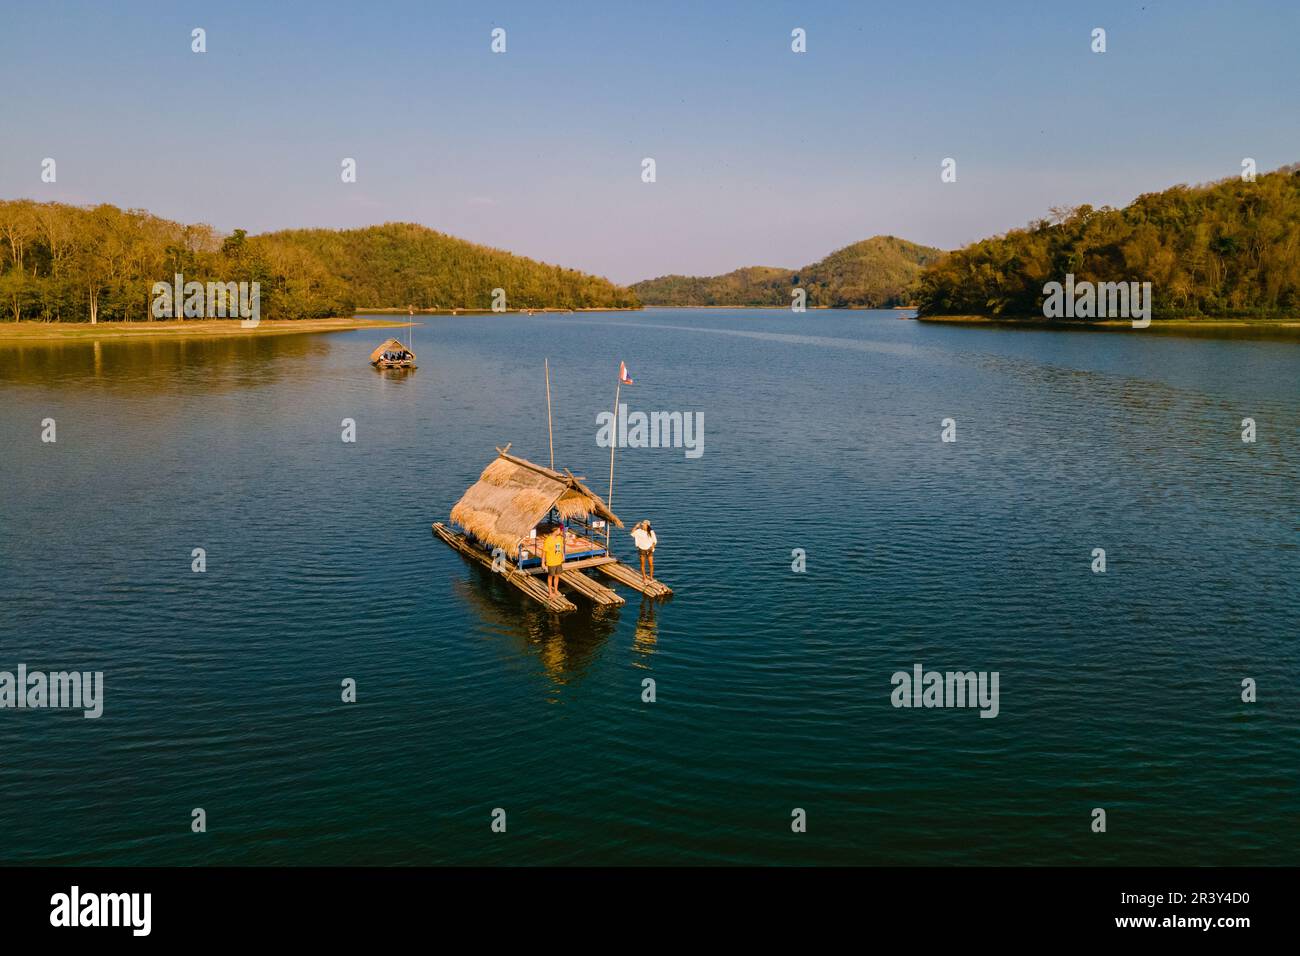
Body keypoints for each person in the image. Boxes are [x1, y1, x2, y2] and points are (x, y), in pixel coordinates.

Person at [543, 524, 566, 598]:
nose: (560, 531)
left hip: (558, 561)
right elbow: (544, 552)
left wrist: (563, 555)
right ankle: (550, 592)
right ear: (555, 531)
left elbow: (561, 547)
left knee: (557, 576)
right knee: (550, 577)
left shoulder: (559, 538)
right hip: (551, 561)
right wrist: (543, 563)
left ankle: (555, 590)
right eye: (559, 530)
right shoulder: (548, 540)